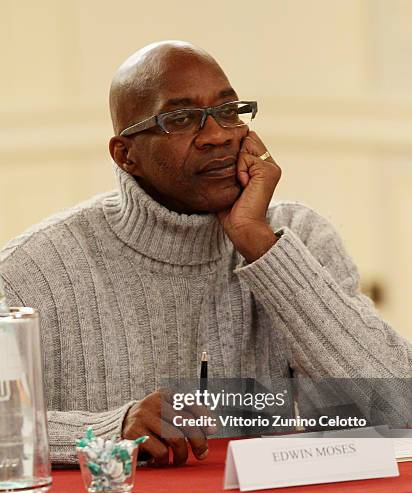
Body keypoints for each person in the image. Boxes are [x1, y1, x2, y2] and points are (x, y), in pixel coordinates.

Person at [1, 40, 411, 466]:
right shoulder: (32, 272)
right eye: (180, 119)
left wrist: (260, 244)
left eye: (228, 111)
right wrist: (110, 429)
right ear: (126, 155)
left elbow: (399, 407)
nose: (216, 135)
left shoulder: (300, 238)